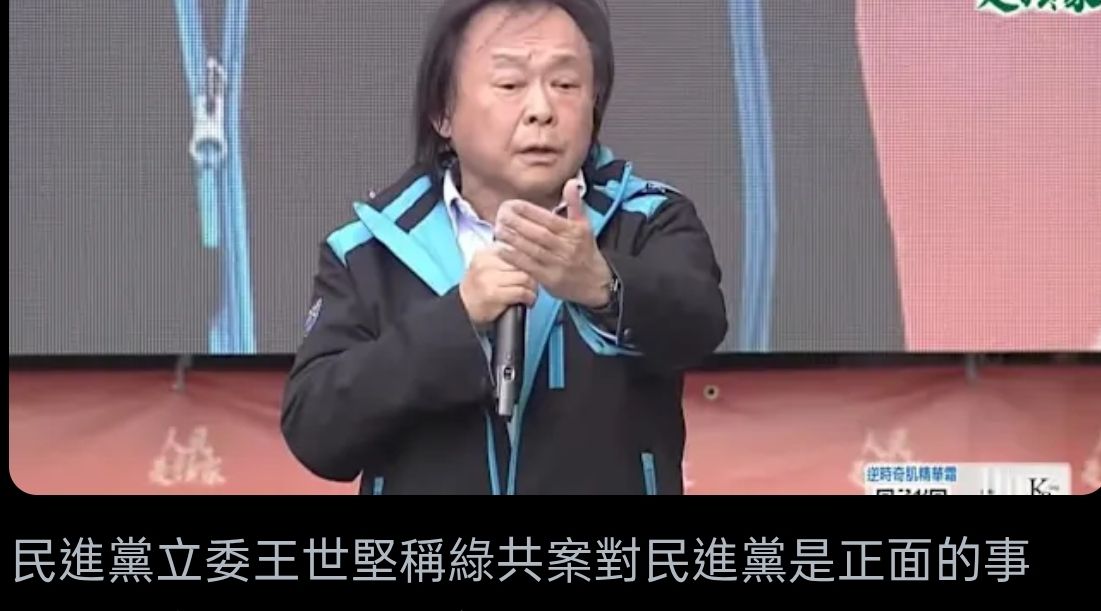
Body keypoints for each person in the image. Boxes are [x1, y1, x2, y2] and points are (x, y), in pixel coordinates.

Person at [280, 0, 728, 494]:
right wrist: (455, 321)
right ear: (442, 112)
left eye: (565, 84)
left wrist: (603, 285)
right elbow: (317, 432)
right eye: (510, 84)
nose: (542, 110)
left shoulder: (649, 217)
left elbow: (700, 323)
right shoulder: (369, 249)